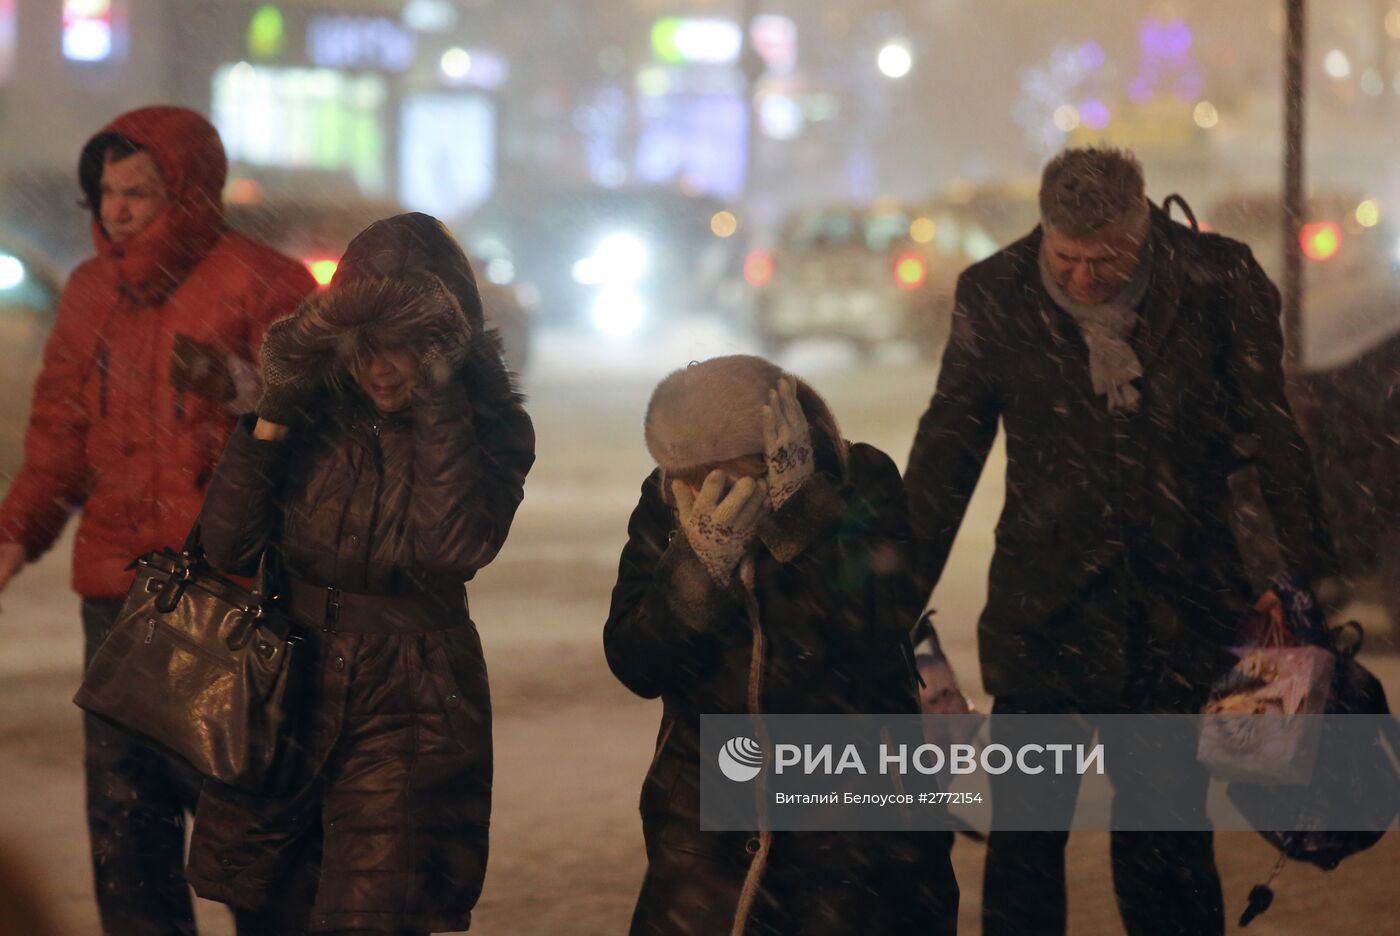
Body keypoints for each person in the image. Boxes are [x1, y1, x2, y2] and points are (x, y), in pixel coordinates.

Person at [904, 147, 1338, 936]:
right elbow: (946, 454)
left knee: (1164, 841)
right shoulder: (996, 292)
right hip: (1045, 617)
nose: (1081, 277)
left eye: (1105, 259)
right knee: (1026, 846)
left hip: (1174, 617)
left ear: (1141, 226)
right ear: (1044, 232)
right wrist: (894, 594)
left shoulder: (1216, 279)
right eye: (1065, 259)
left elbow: (1274, 433)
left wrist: (1305, 573)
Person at [0, 106, 316, 935]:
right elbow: (59, 434)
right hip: (115, 592)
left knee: (242, 822)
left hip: (223, 594)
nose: (118, 208)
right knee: (125, 821)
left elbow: (319, 422)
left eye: (139, 190)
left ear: (190, 192)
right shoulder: (89, 292)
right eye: (106, 191)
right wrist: (16, 532)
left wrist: (241, 387)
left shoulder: (263, 282)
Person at [183, 212, 535, 936]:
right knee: (267, 908)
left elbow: (453, 546)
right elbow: (228, 545)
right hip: (285, 683)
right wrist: (272, 411)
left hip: (413, 693)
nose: (380, 366)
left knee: (372, 916)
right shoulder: (312, 409)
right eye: (366, 344)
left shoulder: (491, 424)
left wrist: (439, 398)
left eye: (404, 345)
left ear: (441, 345)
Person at [605, 355, 959, 936]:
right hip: (706, 821)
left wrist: (803, 513)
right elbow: (635, 661)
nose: (699, 490)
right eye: (684, 473)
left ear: (774, 447)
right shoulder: (667, 502)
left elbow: (878, 622)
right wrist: (699, 569)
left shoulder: (861, 478)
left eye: (720, 471)